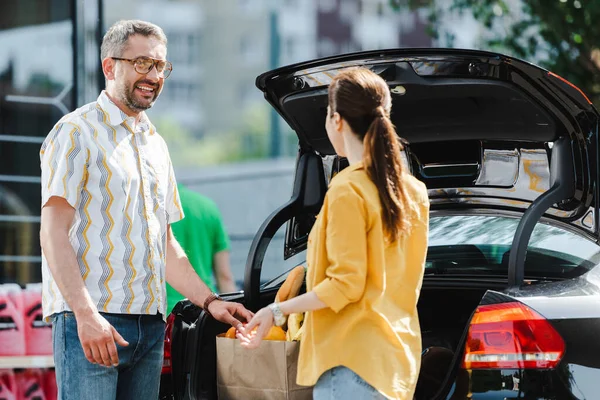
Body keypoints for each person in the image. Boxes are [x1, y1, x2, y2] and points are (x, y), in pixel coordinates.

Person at [39, 20, 252, 400]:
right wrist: (86, 316)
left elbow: (165, 244)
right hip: (92, 322)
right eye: (142, 64)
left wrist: (212, 301)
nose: (153, 75)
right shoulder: (75, 132)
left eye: (160, 66)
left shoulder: (156, 144)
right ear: (110, 66)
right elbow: (53, 233)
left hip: (151, 327)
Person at [237, 68, 430, 400]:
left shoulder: (347, 189)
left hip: (351, 363)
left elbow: (345, 284)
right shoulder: (412, 191)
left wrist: (277, 311)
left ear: (337, 120)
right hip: (395, 363)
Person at [166, 184, 237, 313]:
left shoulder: (153, 209)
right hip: (204, 309)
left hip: (164, 316)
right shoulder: (208, 207)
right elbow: (224, 276)